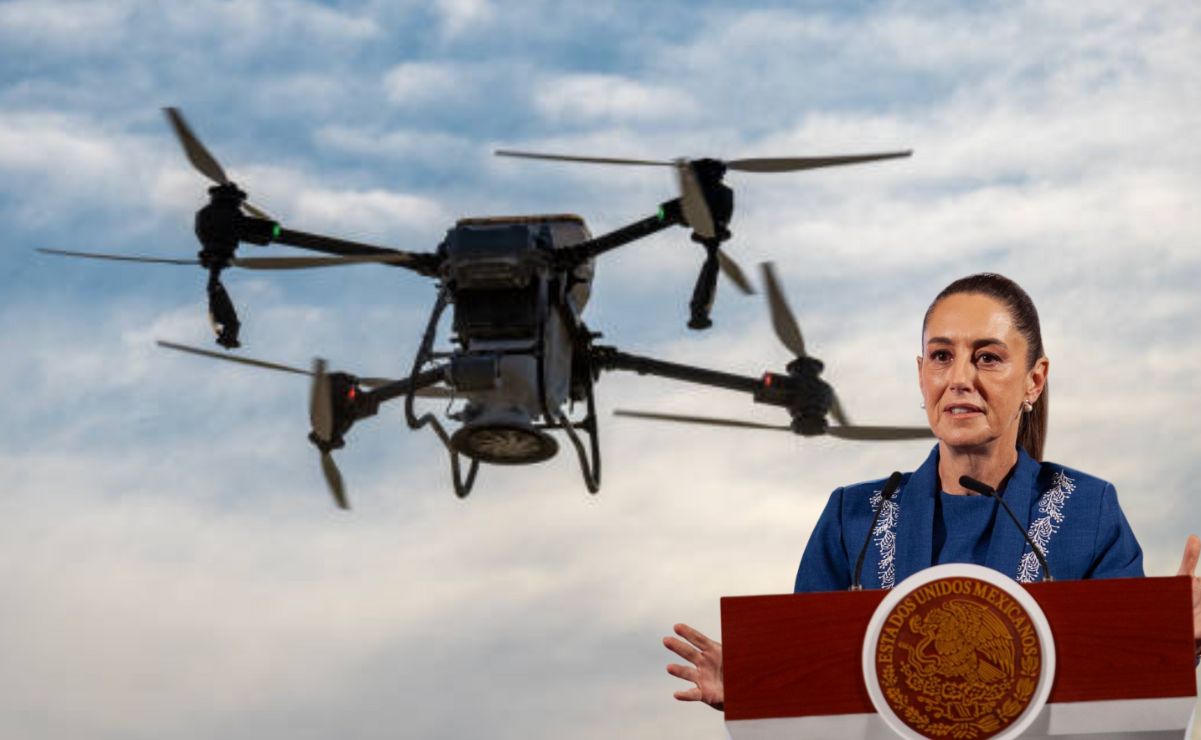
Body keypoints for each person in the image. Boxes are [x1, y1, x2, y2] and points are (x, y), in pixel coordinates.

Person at [664, 273, 1201, 711]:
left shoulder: (1090, 512)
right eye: (942, 356)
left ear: (1034, 380)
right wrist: (757, 694)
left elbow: (1123, 697)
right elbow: (814, 694)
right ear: (921, 375)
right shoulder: (852, 519)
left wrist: (1175, 646)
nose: (960, 377)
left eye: (987, 357)